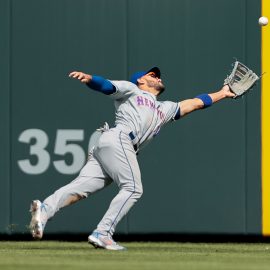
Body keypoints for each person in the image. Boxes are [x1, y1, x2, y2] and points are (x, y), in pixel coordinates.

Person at [29, 66, 235, 250]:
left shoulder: (165, 108)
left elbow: (197, 103)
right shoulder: (132, 90)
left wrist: (223, 93)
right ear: (141, 80)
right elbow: (107, 86)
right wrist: (91, 79)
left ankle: (45, 209)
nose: (158, 77)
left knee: (81, 187)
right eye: (153, 74)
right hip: (119, 138)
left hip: (110, 144)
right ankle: (103, 233)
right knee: (133, 188)